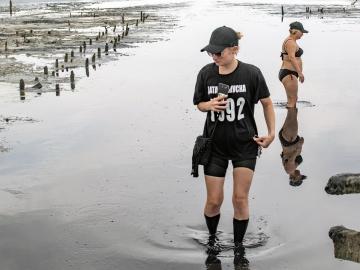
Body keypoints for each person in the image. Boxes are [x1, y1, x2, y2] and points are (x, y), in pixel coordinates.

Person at [193, 26, 275, 267]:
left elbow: (267, 103)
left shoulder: (251, 73)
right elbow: (198, 103)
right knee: (213, 201)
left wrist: (271, 134)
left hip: (245, 146)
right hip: (214, 146)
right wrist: (208, 106)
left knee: (239, 199)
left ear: (235, 50)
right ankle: (212, 241)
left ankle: (239, 251)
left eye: (219, 53)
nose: (214, 57)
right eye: (211, 53)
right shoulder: (206, 74)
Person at [279, 21, 308, 108]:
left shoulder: (291, 41)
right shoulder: (290, 42)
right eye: (301, 32)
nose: (303, 34)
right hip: (289, 74)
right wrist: (300, 73)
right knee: (292, 101)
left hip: (290, 73)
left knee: (293, 100)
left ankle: (292, 120)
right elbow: (292, 58)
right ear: (296, 31)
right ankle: (292, 120)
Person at [279, 107, 306, 186]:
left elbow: (291, 159)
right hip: (288, 139)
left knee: (292, 109)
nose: (301, 175)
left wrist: (299, 146)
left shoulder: (290, 170)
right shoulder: (290, 169)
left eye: (300, 177)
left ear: (295, 178)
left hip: (289, 139)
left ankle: (291, 96)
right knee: (293, 111)